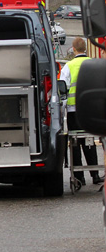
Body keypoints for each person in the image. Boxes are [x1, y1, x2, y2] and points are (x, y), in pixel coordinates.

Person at [60, 37, 104, 185]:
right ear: (85, 48)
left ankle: (79, 177)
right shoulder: (93, 65)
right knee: (90, 142)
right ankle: (95, 175)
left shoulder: (69, 66)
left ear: (73, 49)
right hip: (92, 111)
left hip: (74, 111)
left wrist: (61, 110)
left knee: (75, 144)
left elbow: (63, 89)